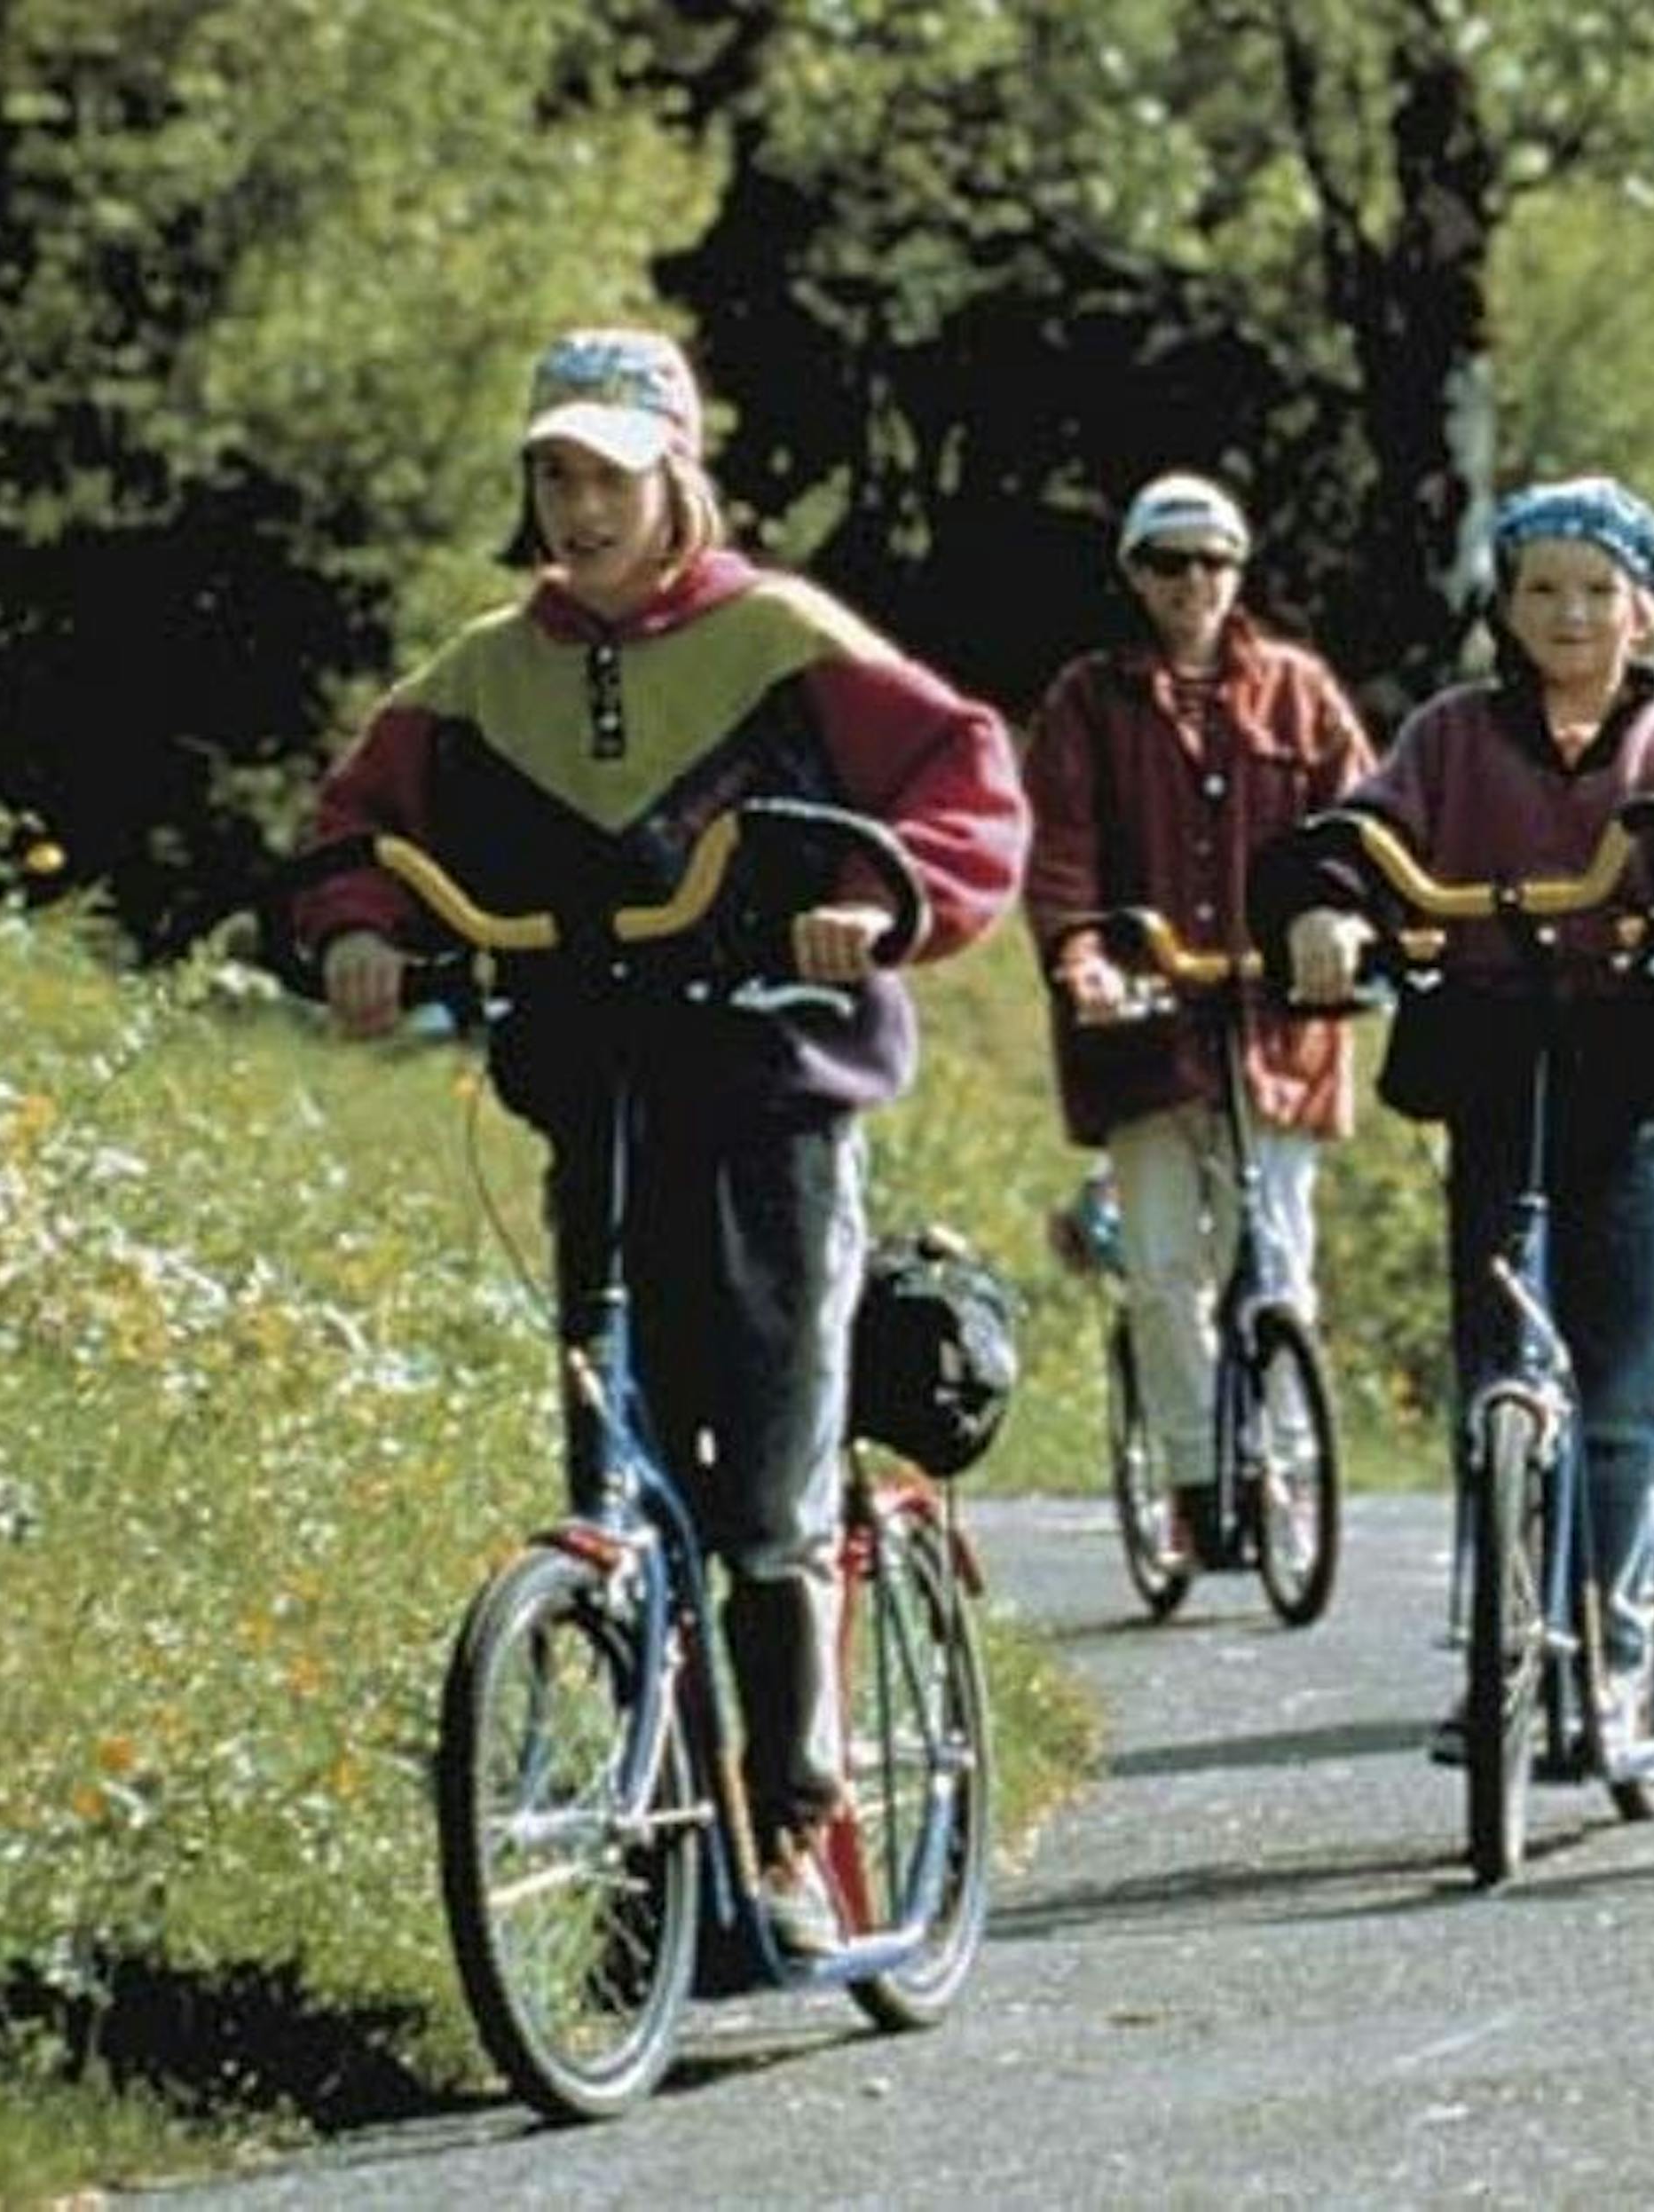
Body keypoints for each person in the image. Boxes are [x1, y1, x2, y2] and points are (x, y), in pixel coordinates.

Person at [297, 327, 1026, 1951]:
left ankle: (793, 1823)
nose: (574, 507)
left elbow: (961, 781)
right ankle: (656, 1857)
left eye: (605, 475)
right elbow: (356, 822)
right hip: (597, 1088)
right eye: (549, 475)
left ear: (675, 474)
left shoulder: (779, 635)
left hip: (774, 1090)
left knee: (765, 1490)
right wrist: (357, 924)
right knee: (618, 1489)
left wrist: (868, 894)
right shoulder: (488, 669)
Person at [1261, 476, 1654, 1747]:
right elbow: (1360, 833)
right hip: (1503, 1065)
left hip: (1649, 1074)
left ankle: (1611, 1634)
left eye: (1598, 592)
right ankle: (1499, 1647)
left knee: (1626, 1389)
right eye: (1543, 589)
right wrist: (1331, 910)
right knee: (1501, 1372)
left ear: (1643, 617)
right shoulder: (1451, 737)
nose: (1570, 614)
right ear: (1503, 608)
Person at [1021, 472, 1375, 1563]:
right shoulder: (1089, 698)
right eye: (1169, 563)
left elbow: (1362, 826)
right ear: (1135, 573)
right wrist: (1081, 955)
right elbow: (1061, 850)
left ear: (1239, 571)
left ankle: (1283, 1476)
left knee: (1279, 1260)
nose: (1193, 584)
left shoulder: (1300, 693)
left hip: (1280, 1022)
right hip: (1143, 1019)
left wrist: (1345, 920)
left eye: (1212, 562)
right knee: (1169, 1263)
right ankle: (1188, 1477)